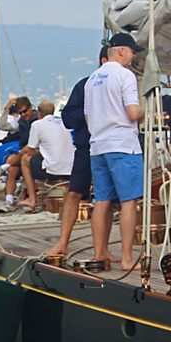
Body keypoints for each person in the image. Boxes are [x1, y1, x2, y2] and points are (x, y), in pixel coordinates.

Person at [84, 32, 145, 271]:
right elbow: (132, 113)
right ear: (121, 51)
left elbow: (88, 118)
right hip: (122, 144)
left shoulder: (92, 79)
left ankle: (100, 254)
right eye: (132, 52)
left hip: (98, 146)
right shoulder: (124, 75)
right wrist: (144, 112)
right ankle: (128, 258)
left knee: (102, 201)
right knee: (129, 202)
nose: (133, 57)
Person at [46, 45, 108, 256]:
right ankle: (63, 242)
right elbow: (68, 118)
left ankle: (103, 249)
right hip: (86, 147)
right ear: (103, 61)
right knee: (74, 193)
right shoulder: (85, 86)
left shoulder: (122, 84)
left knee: (105, 198)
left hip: (110, 147)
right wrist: (91, 113)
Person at [15, 100, 74, 210]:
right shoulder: (63, 123)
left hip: (53, 170)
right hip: (70, 169)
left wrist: (41, 153)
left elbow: (30, 151)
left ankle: (31, 198)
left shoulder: (37, 124)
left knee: (24, 159)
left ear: (39, 114)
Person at [0, 96, 37, 212]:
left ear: (31, 108)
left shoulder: (38, 120)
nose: (23, 115)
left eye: (25, 111)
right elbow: (3, 126)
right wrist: (6, 109)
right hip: (22, 155)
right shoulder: (20, 122)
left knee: (25, 152)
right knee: (12, 170)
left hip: (36, 153)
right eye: (20, 113)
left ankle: (2, 168)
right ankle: (9, 201)